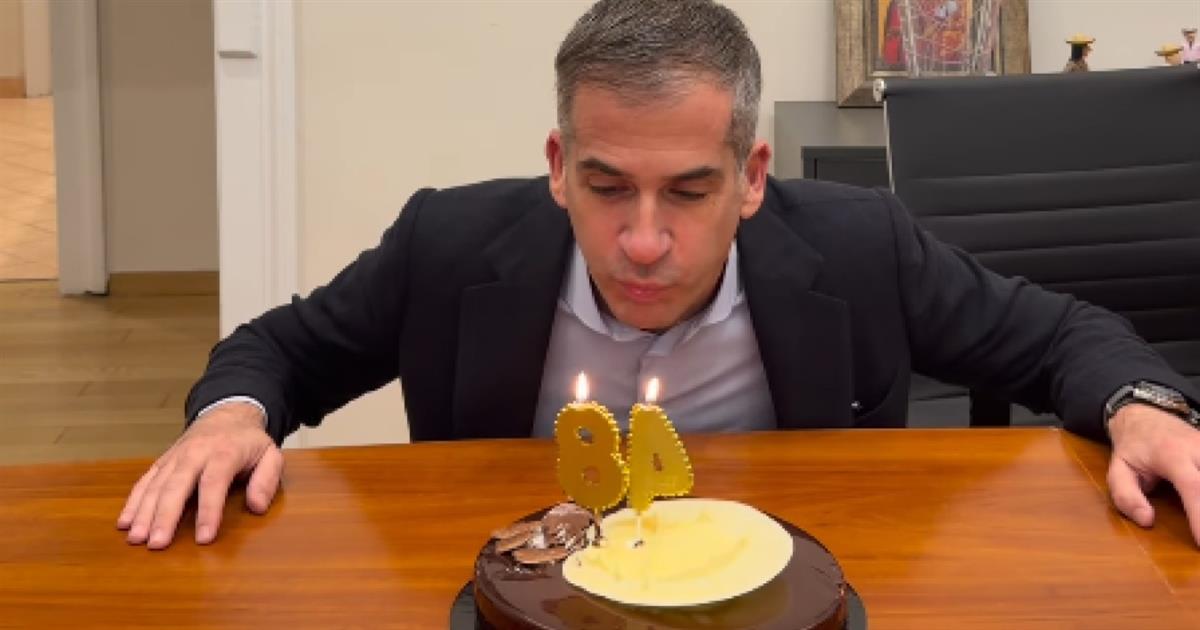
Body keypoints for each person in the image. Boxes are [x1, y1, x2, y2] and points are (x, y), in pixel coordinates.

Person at [117, 0, 1200, 552]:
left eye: (687, 191)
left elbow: (1058, 336)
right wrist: (229, 418)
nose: (642, 241)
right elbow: (281, 350)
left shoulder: (860, 244)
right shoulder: (448, 242)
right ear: (557, 166)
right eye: (605, 187)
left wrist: (1146, 408)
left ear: (752, 176)